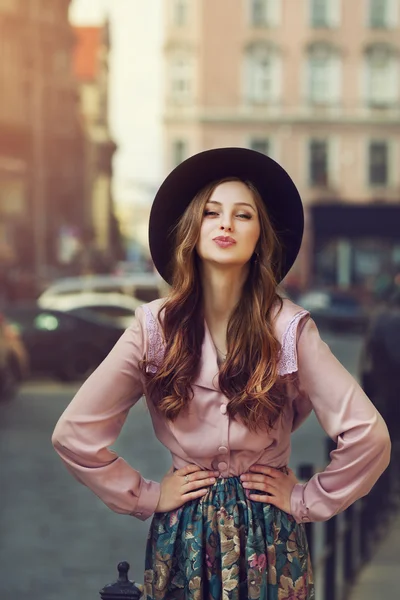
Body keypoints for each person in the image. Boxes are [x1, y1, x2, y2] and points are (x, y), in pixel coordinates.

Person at [52, 148, 391, 600]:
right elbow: (74, 435)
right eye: (211, 212)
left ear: (260, 237)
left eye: (243, 214)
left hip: (270, 539)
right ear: (193, 230)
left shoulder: (289, 329)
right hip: (185, 537)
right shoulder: (154, 327)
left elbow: (370, 437)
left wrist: (306, 499)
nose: (226, 223)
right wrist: (147, 495)